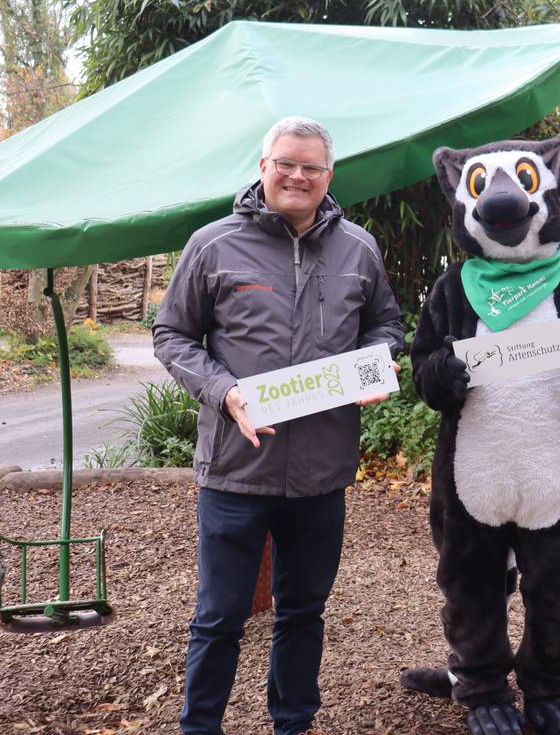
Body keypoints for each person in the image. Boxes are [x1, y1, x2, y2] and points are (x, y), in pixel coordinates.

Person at [153, 116, 404, 735]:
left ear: (328, 176)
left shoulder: (359, 249)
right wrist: (224, 391)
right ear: (263, 167)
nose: (297, 176)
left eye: (310, 167)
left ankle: (293, 724)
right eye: (285, 163)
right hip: (236, 468)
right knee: (219, 616)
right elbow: (172, 334)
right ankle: (199, 727)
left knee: (303, 613)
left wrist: (374, 364)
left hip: (322, 470)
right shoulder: (213, 244)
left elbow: (385, 324)